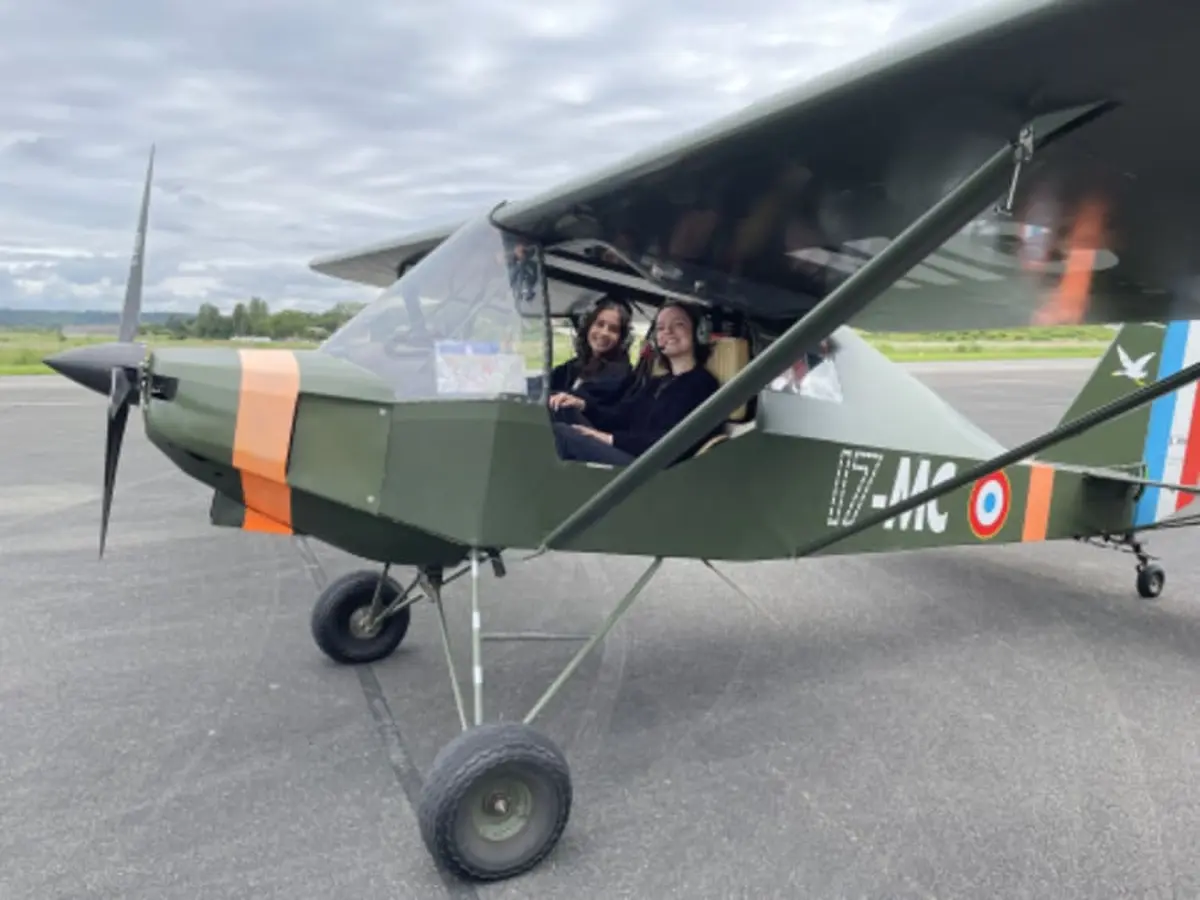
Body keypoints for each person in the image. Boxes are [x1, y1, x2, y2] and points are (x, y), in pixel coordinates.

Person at [549, 302, 721, 466]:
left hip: (648, 469)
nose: (667, 331)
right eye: (660, 328)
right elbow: (621, 416)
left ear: (699, 333)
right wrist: (583, 405)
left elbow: (674, 442)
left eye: (679, 324)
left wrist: (609, 439)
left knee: (561, 435)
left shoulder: (703, 385)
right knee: (558, 408)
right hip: (630, 453)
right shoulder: (657, 383)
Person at [547, 296, 635, 410]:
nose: (604, 333)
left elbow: (602, 407)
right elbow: (548, 380)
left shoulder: (620, 374)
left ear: (621, 338)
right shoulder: (577, 364)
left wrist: (581, 404)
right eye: (599, 324)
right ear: (589, 326)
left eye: (613, 329)